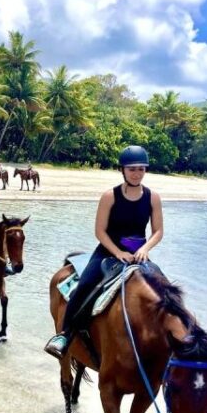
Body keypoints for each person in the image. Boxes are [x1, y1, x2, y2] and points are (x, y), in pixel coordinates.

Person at [44, 145, 164, 359]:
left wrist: (145, 249)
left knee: (165, 291)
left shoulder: (153, 197)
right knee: (85, 286)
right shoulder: (110, 196)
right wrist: (118, 252)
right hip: (108, 251)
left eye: (141, 169)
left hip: (139, 253)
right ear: (123, 170)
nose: (137, 173)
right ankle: (65, 335)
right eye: (132, 169)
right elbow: (100, 231)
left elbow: (158, 231)